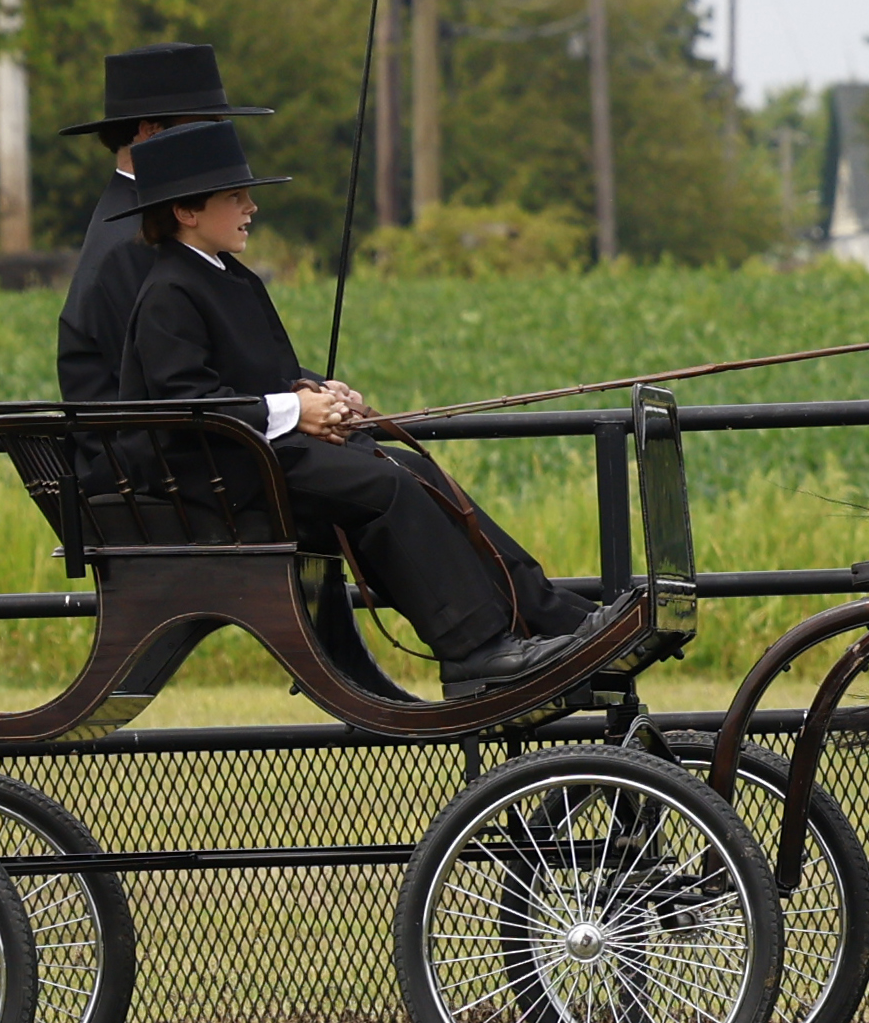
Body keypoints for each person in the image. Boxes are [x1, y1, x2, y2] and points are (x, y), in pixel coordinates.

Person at [112, 120, 622, 699]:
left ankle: (557, 618)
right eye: (236, 197)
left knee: (419, 474)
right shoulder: (169, 292)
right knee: (389, 488)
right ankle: (475, 649)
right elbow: (188, 403)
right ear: (187, 210)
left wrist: (321, 393)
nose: (252, 207)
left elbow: (259, 377)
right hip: (222, 472)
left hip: (262, 453)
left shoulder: (227, 276)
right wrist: (295, 410)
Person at [58, 42, 275, 407]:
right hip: (159, 454)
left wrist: (312, 388)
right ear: (152, 132)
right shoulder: (134, 242)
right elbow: (174, 383)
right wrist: (295, 403)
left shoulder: (149, 220)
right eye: (206, 127)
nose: (220, 140)